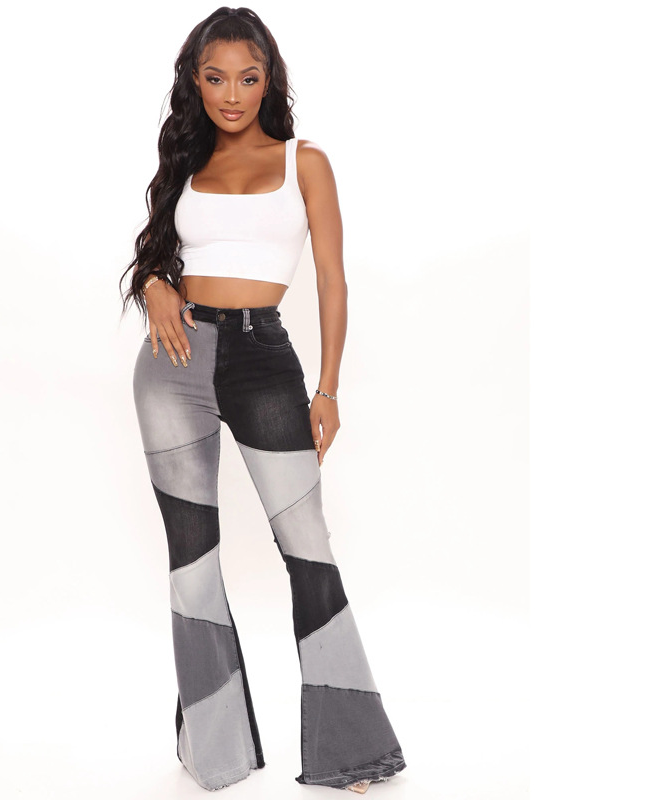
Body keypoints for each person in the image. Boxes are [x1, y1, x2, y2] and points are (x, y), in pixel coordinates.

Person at [120, 7, 406, 794]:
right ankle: (212, 754)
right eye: (215, 78)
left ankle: (351, 752)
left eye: (248, 78)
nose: (231, 94)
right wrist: (154, 285)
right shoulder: (186, 158)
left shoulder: (304, 161)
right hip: (173, 363)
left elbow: (332, 279)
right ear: (195, 80)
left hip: (262, 359)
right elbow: (156, 256)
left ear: (269, 80)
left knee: (308, 549)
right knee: (192, 563)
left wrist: (328, 386)